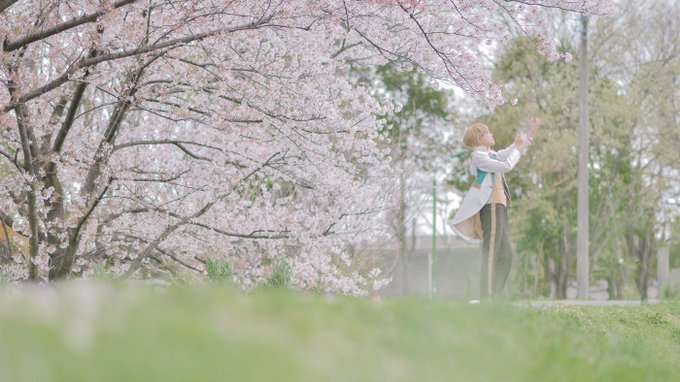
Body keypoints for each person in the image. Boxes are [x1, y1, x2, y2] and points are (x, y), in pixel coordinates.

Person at [449, 117, 541, 300]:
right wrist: (515, 147)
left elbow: (511, 151)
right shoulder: (479, 156)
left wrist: (530, 132)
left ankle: (496, 294)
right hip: (489, 206)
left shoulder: (490, 154)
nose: (491, 134)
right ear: (478, 140)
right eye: (487, 133)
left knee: (506, 253)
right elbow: (507, 165)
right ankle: (488, 297)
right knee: (491, 252)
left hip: (500, 206)